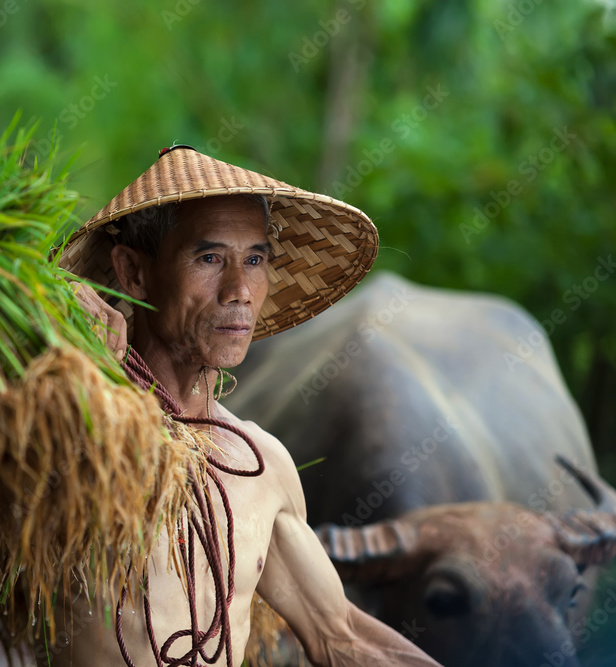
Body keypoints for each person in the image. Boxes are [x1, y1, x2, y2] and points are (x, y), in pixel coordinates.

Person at [54, 145, 440, 666]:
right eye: (209, 258)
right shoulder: (72, 427)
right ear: (133, 272)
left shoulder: (262, 466)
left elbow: (340, 635)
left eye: (255, 259)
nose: (239, 290)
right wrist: (56, 323)